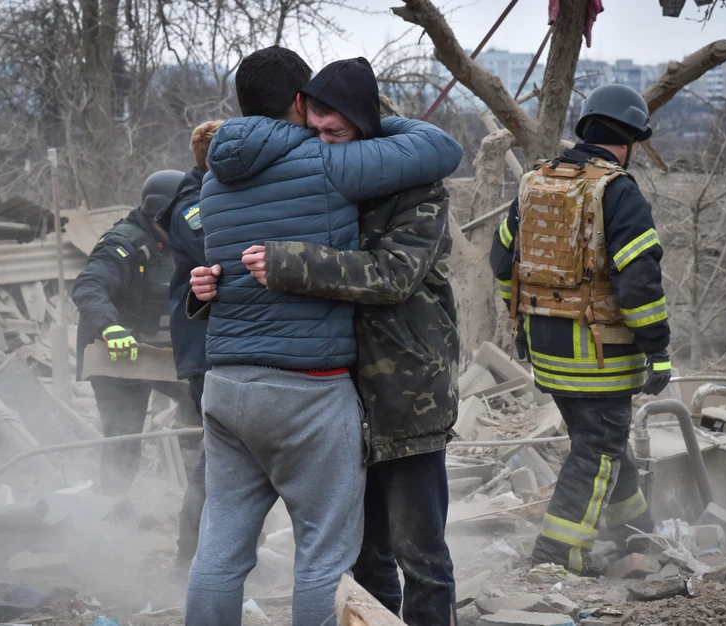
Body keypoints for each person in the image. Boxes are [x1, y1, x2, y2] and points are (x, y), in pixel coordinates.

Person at [184, 48, 462, 626]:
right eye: (314, 116)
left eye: (334, 123)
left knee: (220, 552)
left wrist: (213, 286)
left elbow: (395, 274)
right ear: (297, 104)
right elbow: (442, 146)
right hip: (311, 389)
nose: (322, 131)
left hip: (249, 384)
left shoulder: (212, 181)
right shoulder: (326, 166)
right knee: (328, 559)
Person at [489, 83, 671, 576]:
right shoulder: (617, 190)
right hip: (599, 356)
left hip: (547, 353)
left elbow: (502, 261)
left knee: (605, 443)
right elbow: (639, 282)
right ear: (631, 139)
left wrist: (521, 325)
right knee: (597, 451)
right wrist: (658, 350)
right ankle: (560, 554)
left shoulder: (535, 182)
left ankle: (635, 534)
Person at [72, 170, 201, 495]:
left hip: (164, 353)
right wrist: (109, 327)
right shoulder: (122, 243)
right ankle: (113, 505)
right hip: (118, 354)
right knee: (124, 434)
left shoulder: (189, 240)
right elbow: (89, 286)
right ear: (161, 212)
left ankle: (194, 493)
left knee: (201, 405)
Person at [154, 121, 223, 572]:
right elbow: (214, 248)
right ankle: (189, 559)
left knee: (231, 462)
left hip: (221, 347)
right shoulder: (191, 205)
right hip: (206, 351)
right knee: (217, 460)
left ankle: (225, 557)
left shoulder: (213, 197)